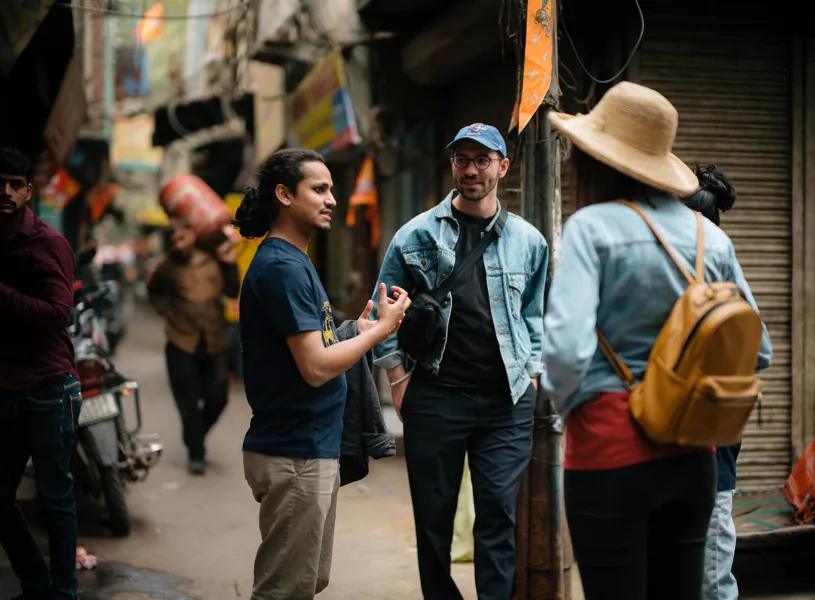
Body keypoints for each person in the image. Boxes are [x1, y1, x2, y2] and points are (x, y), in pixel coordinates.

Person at [541, 81, 772, 600]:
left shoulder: (591, 227)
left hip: (607, 453)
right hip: (694, 455)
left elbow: (565, 352)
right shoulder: (710, 237)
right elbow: (758, 351)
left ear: (596, 159)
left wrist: (568, 409)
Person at [370, 123, 549, 600]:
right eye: (462, 159)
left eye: (482, 160)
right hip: (435, 393)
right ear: (452, 164)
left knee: (497, 515)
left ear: (502, 167)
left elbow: (534, 315)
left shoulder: (529, 242)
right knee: (434, 519)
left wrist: (531, 374)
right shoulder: (414, 236)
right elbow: (379, 314)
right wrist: (399, 381)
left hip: (505, 403)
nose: (471, 169)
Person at [233, 148, 410, 600]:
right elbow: (314, 367)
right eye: (319, 189)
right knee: (285, 590)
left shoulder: (295, 261)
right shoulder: (281, 267)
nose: (332, 199)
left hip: (310, 448)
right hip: (294, 453)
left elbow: (318, 347)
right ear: (284, 195)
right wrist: (381, 334)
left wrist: (360, 331)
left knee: (308, 582)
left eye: (331, 188)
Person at [0, 147, 83, 600]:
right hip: (4, 386)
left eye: (15, 184)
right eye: (0, 183)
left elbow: (58, 315)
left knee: (55, 499)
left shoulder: (47, 242)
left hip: (49, 388)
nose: (6, 192)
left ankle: (63, 593)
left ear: (29, 190)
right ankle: (37, 582)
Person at [682, 164, 741, 600]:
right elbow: (758, 356)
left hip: (704, 439)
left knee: (709, 565)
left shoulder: (713, 265)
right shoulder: (723, 267)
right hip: (710, 434)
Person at [147, 216, 239, 475]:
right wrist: (167, 313)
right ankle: (196, 453)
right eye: (174, 239)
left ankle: (194, 435)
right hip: (181, 342)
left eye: (182, 237)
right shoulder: (168, 266)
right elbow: (154, 291)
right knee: (187, 401)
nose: (178, 244)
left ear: (194, 234)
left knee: (218, 397)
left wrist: (231, 267)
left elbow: (233, 291)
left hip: (215, 340)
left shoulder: (215, 259)